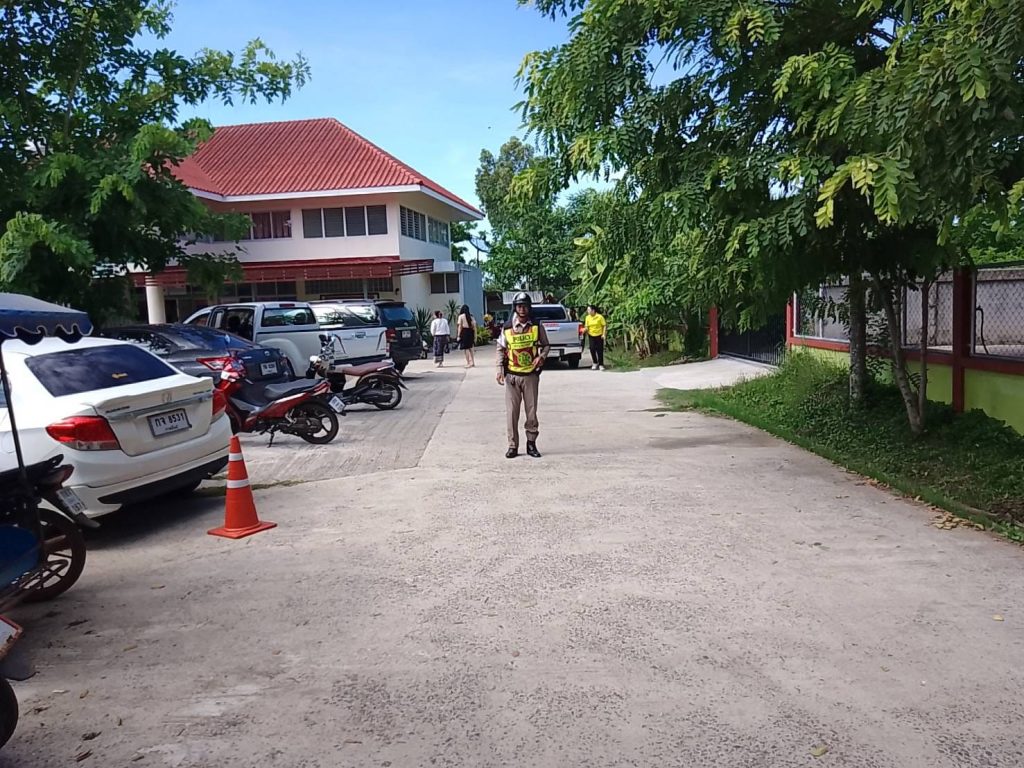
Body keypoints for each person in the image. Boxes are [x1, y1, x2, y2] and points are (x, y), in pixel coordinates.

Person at [496, 292, 550, 459]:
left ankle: (531, 443)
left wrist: (541, 357)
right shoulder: (507, 328)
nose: (522, 309)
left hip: (530, 376)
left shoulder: (536, 326)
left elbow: (546, 345)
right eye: (519, 306)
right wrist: (499, 368)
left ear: (529, 307)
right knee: (512, 412)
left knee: (531, 411)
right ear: (515, 308)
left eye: (525, 306)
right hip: (512, 377)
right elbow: (500, 348)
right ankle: (512, 445)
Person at [584, 304, 607, 370]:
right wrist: (584, 330)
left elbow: (604, 325)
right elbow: (587, 327)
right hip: (591, 335)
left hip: (599, 335)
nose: (588, 311)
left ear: (593, 310)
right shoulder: (587, 317)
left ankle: (601, 364)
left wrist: (603, 334)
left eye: (589, 310)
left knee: (599, 350)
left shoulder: (600, 317)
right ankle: (595, 362)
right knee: (592, 349)